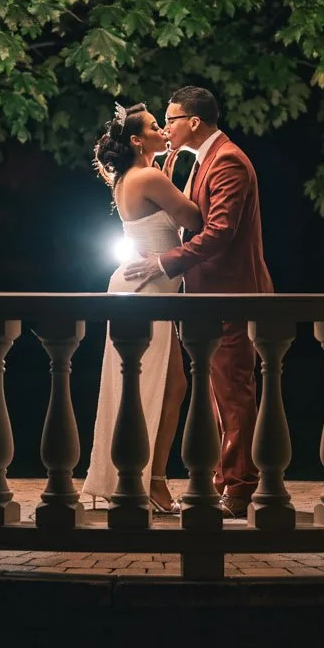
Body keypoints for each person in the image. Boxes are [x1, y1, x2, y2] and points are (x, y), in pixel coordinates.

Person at [123, 85, 272, 517]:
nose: (165, 127)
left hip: (230, 291)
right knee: (215, 391)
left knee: (233, 390)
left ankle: (239, 487)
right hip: (204, 293)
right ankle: (222, 478)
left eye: (169, 119)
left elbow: (220, 232)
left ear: (192, 122)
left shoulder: (228, 161)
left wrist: (164, 263)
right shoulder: (188, 158)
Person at [83, 102, 203, 515]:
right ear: (137, 140)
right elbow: (194, 217)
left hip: (145, 286)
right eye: (155, 126)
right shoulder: (148, 176)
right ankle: (146, 479)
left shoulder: (139, 176)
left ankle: (144, 477)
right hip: (147, 288)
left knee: (165, 386)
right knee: (151, 386)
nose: (163, 129)